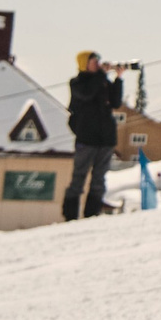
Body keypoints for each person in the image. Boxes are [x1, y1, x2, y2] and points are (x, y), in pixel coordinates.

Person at [65, 52, 130, 221]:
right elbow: (87, 93)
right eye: (94, 62)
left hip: (105, 138)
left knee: (99, 180)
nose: (98, 65)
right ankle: (70, 216)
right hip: (86, 138)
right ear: (84, 63)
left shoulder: (102, 81)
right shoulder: (77, 83)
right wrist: (102, 75)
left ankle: (91, 215)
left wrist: (118, 79)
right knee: (78, 179)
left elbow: (115, 102)